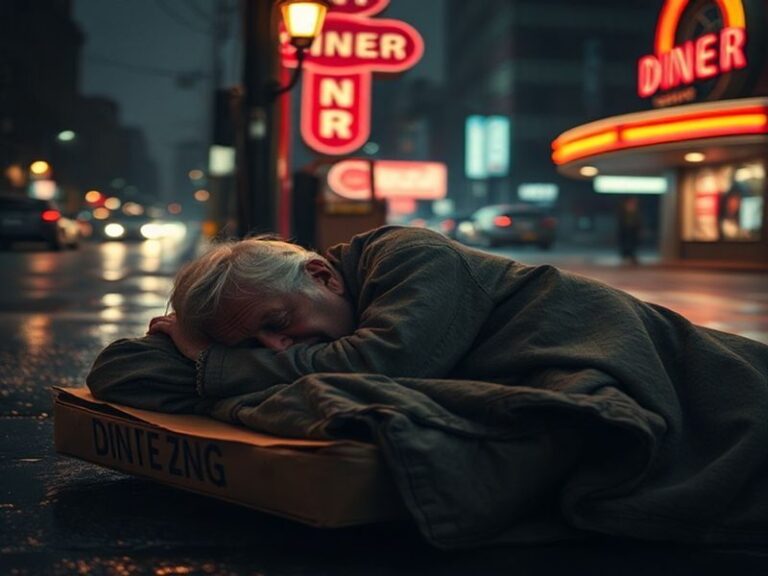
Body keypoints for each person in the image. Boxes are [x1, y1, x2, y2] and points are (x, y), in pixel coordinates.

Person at [87, 225, 768, 548]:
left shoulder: (410, 255)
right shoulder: (300, 332)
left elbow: (383, 359)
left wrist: (208, 362)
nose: (278, 350)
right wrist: (201, 350)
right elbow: (120, 372)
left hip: (705, 373)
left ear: (322, 276)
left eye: (277, 323)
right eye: (249, 345)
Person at [617, 196, 642, 263]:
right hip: (625, 229)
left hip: (633, 230)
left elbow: (638, 220)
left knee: (633, 244)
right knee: (624, 243)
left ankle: (632, 256)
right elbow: (621, 220)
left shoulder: (636, 211)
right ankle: (625, 256)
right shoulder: (622, 210)